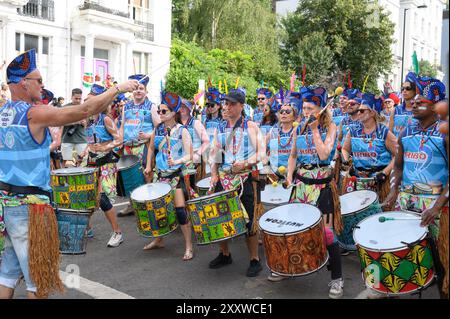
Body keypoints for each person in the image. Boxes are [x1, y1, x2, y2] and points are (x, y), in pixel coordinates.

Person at [0, 49, 138, 299]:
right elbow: (84, 111)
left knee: (8, 274)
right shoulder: (33, 113)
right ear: (23, 83)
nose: (42, 85)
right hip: (30, 208)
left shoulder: (2, 114)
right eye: (38, 80)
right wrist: (118, 89)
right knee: (38, 281)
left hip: (7, 205)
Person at [384, 76, 448, 299]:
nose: (414, 104)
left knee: (442, 261)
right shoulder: (406, 133)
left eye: (421, 102)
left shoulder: (444, 134)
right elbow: (398, 168)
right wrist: (393, 192)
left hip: (438, 207)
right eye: (414, 101)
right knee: (410, 255)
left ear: (435, 107)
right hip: (407, 204)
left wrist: (437, 207)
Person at [286, 86, 344, 299]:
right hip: (301, 185)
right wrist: (289, 175)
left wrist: (314, 130)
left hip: (322, 186)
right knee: (294, 228)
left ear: (321, 109)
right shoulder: (298, 127)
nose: (305, 111)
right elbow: (293, 155)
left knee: (328, 234)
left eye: (310, 108)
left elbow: (324, 153)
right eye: (304, 107)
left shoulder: (331, 127)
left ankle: (337, 279)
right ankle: (287, 266)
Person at [207, 89, 264, 277]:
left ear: (241, 105)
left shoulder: (251, 126)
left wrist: (246, 163)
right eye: (226, 103)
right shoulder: (220, 127)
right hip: (223, 178)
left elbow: (262, 153)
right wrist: (214, 174)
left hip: (245, 178)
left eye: (231, 104)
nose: (227, 107)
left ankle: (254, 259)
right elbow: (215, 154)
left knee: (249, 221)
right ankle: (225, 254)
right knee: (219, 218)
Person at [143, 91, 194, 261]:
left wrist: (177, 160)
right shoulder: (157, 129)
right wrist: (149, 165)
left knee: (180, 211)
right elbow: (151, 148)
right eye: (159, 111)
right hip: (160, 175)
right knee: (158, 210)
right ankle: (159, 240)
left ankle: (188, 246)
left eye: (163, 111)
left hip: (176, 175)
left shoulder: (183, 131)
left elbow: (190, 156)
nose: (159, 114)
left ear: (174, 113)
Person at [80, 84, 124, 247]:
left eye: (91, 100)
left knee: (103, 198)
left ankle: (117, 232)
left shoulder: (106, 119)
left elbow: (119, 139)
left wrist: (105, 147)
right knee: (87, 196)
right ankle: (87, 228)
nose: (87, 103)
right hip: (91, 161)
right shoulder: (89, 121)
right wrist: (85, 151)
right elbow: (90, 141)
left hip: (106, 161)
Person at [117, 74, 160, 217]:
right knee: (129, 177)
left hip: (144, 146)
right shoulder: (126, 106)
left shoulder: (152, 106)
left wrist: (148, 136)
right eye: (136, 88)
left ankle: (148, 205)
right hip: (128, 146)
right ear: (132, 91)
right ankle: (131, 205)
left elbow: (158, 127)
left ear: (146, 91)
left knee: (146, 175)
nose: (138, 91)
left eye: (142, 88)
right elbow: (122, 125)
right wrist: (119, 141)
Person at [341, 93, 397, 202]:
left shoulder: (383, 132)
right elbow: (345, 149)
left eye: (362, 111)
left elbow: (398, 155)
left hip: (379, 182)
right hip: (358, 180)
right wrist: (346, 161)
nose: (358, 113)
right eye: (358, 110)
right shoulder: (353, 131)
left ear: (372, 112)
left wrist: (384, 173)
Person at [180, 98, 210, 182]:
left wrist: (198, 154)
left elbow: (206, 141)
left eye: (184, 107)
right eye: (180, 106)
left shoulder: (195, 123)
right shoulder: (176, 123)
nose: (181, 109)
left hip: (194, 161)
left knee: (193, 187)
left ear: (189, 109)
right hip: (181, 161)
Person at [60, 88, 87, 167]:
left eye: (80, 99)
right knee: (66, 163)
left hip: (81, 138)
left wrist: (84, 123)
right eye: (76, 98)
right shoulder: (64, 108)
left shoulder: (84, 107)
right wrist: (75, 122)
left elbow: (87, 125)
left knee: (84, 162)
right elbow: (60, 122)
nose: (78, 100)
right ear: (71, 97)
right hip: (66, 138)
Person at [389, 72, 417, 137]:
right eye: (402, 88)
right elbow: (390, 134)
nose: (404, 90)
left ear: (415, 90)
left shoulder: (420, 111)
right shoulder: (395, 110)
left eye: (408, 88)